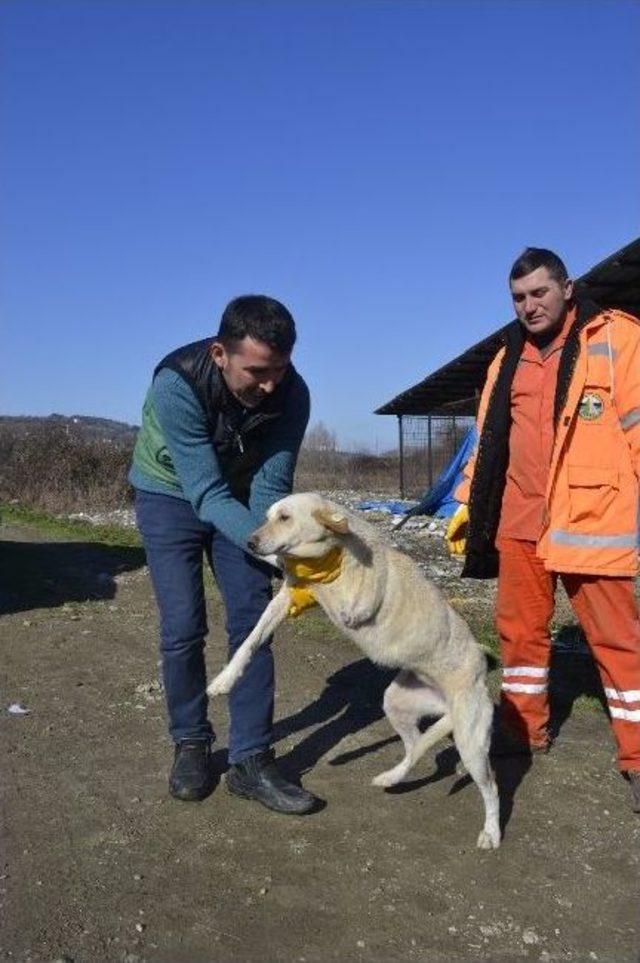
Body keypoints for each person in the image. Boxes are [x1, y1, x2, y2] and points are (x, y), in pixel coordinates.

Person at [445, 248, 640, 811]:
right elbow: (487, 442)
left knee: (619, 643)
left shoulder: (615, 338)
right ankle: (522, 730)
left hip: (590, 519)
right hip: (518, 520)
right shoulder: (505, 356)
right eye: (519, 298)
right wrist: (466, 506)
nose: (529, 306)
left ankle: (636, 756)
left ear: (567, 288)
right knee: (520, 637)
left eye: (539, 293)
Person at [129, 294, 316, 814]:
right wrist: (279, 558)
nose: (269, 384)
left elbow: (269, 491)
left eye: (279, 369)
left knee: (254, 619)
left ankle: (251, 760)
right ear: (219, 354)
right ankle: (191, 742)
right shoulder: (177, 384)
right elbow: (204, 493)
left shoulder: (291, 395)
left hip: (237, 496)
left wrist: (279, 548)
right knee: (184, 624)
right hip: (169, 493)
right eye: (256, 371)